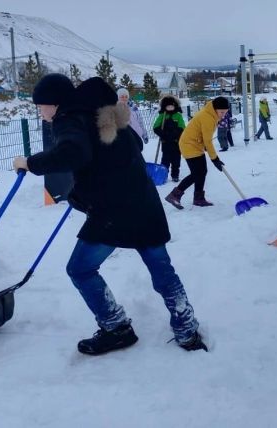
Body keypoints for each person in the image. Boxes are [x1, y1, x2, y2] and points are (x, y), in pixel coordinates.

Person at [12, 74, 206, 355]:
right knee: (161, 267)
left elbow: (72, 153)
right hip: (143, 201)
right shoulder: (104, 112)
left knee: (80, 269)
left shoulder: (71, 118)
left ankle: (116, 328)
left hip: (113, 210)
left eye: (40, 106)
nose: (40, 113)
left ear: (53, 103)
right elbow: (132, 147)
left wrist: (29, 162)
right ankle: (187, 330)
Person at [165, 96, 229, 210]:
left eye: (225, 112)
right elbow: (208, 141)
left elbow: (203, 135)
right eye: (222, 112)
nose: (223, 115)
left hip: (195, 144)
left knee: (202, 171)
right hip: (189, 145)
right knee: (197, 173)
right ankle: (174, 195)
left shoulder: (211, 114)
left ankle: (198, 198)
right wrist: (215, 159)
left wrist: (204, 146)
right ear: (215, 109)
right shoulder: (208, 117)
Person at [153, 95, 185, 182]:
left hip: (176, 142)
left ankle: (175, 175)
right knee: (165, 160)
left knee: (176, 161)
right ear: (165, 106)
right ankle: (163, 175)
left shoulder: (178, 116)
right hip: (166, 142)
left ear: (175, 106)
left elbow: (182, 127)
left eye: (172, 106)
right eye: (168, 106)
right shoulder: (162, 116)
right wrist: (163, 134)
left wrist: (176, 134)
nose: (170, 107)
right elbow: (156, 127)